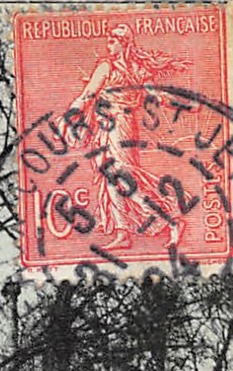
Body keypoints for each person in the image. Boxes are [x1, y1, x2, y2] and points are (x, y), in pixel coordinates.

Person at [66, 24, 192, 251]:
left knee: (124, 177)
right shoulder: (106, 66)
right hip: (105, 127)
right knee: (112, 179)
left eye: (113, 41)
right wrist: (74, 112)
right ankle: (123, 232)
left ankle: (171, 219)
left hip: (122, 125)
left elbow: (156, 95)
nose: (109, 45)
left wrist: (183, 104)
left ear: (123, 43)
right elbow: (88, 94)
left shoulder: (137, 70)